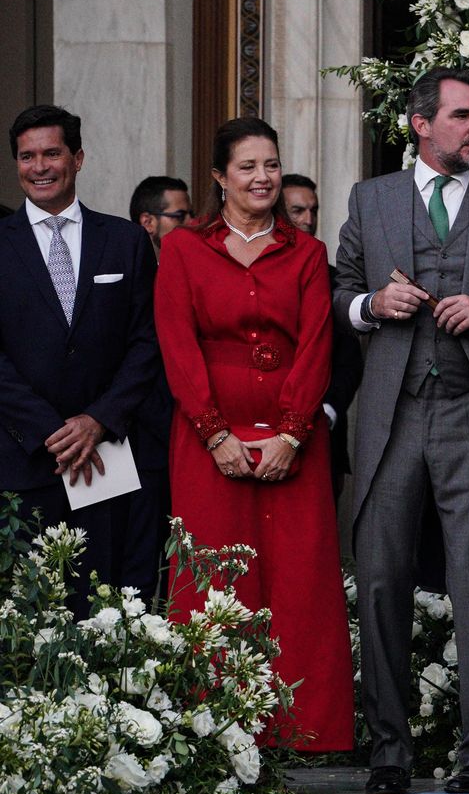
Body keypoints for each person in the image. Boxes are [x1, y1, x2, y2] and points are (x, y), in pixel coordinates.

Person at [334, 66, 469, 794]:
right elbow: (339, 291)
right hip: (391, 413)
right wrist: (371, 303)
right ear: (422, 124)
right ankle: (388, 750)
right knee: (384, 575)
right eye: (461, 116)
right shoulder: (372, 199)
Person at [155, 117, 354, 751]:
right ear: (219, 177)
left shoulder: (307, 252)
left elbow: (318, 346)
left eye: (271, 164)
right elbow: (177, 346)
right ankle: (216, 733)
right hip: (206, 442)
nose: (263, 177)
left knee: (302, 579)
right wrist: (215, 434)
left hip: (292, 443)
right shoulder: (186, 249)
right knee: (214, 585)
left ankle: (306, 733)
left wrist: (293, 435)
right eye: (248, 167)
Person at [0, 105, 160, 612]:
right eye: (27, 156)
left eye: (52, 152)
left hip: (107, 457)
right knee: (30, 620)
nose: (40, 166)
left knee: (108, 605)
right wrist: (51, 429)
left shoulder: (126, 241)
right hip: (22, 458)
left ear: (78, 158)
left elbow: (148, 341)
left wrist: (98, 419)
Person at [125, 175, 197, 598]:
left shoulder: (192, 271)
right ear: (148, 222)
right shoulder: (132, 275)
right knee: (139, 565)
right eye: (179, 216)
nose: (190, 223)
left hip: (190, 437)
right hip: (139, 443)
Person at [283, 173, 361, 500]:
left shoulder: (332, 279)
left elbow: (349, 358)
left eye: (313, 211)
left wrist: (328, 412)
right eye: (298, 211)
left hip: (322, 435)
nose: (309, 220)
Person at [129, 176, 196, 253]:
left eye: (192, 214)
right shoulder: (124, 263)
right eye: (180, 216)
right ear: (147, 222)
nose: (192, 222)